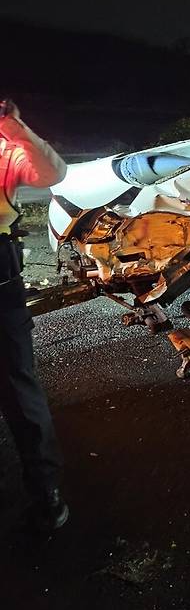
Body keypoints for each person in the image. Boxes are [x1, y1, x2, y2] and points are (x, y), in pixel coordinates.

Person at [0, 98, 69, 531]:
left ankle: (46, 492)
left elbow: (52, 174)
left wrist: (17, 129)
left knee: (15, 383)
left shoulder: (7, 148)